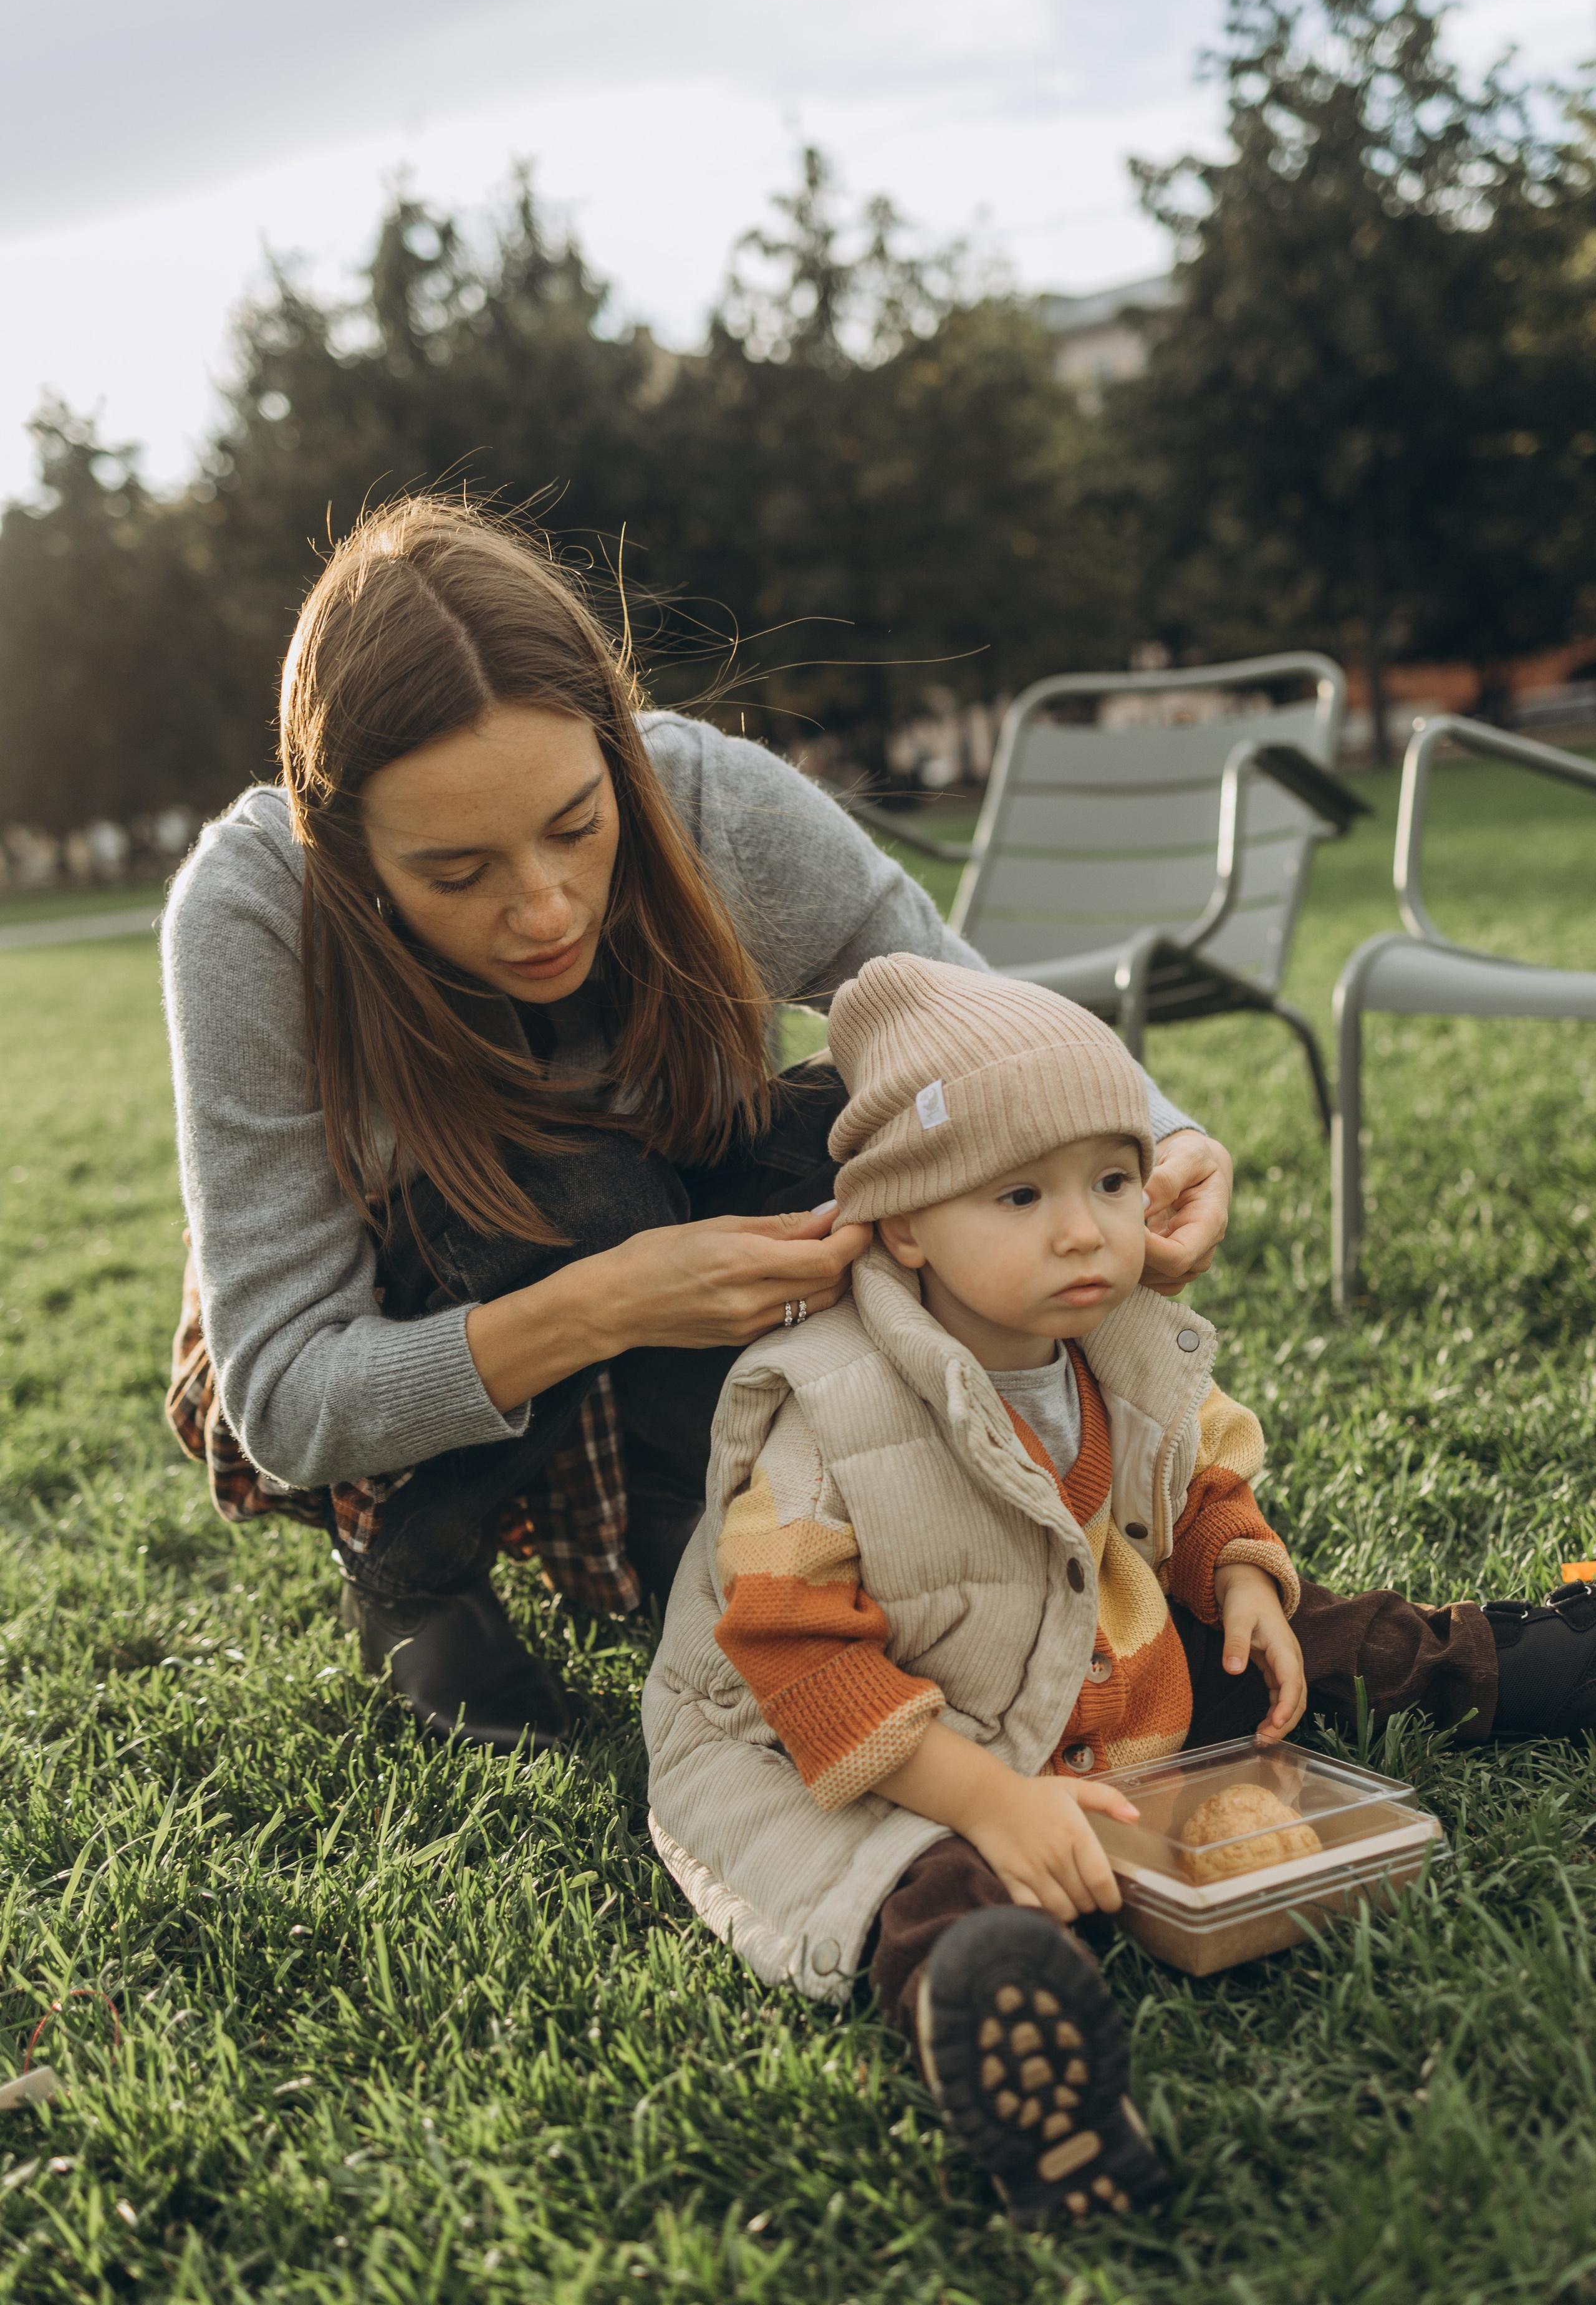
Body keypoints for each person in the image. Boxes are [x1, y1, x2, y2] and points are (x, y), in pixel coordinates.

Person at [160, 498, 1234, 1753]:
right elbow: (285, 1401)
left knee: (882, 1127)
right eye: (457, 874)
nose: (545, 906)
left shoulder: (706, 796)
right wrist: (608, 1302)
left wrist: (1152, 1136)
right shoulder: (253, 911)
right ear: (342, 848)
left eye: (575, 826)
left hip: (669, 1245)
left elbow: (965, 1010)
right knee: (580, 1197)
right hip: (428, 1311)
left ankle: (710, 1523)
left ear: (617, 752)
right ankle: (416, 1570)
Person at [643, 953, 1596, 2230]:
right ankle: (1013, 2046)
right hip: (887, 1737)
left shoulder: (1109, 1330)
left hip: (1089, 1652)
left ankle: (1522, 1658)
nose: (1084, 1228)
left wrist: (1239, 1569)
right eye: (1021, 1193)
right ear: (908, 1221)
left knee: (1306, 1640)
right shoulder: (825, 1411)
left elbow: (1186, 1474)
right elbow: (796, 1658)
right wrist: (989, 1798)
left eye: (1107, 1180)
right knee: (927, 1883)